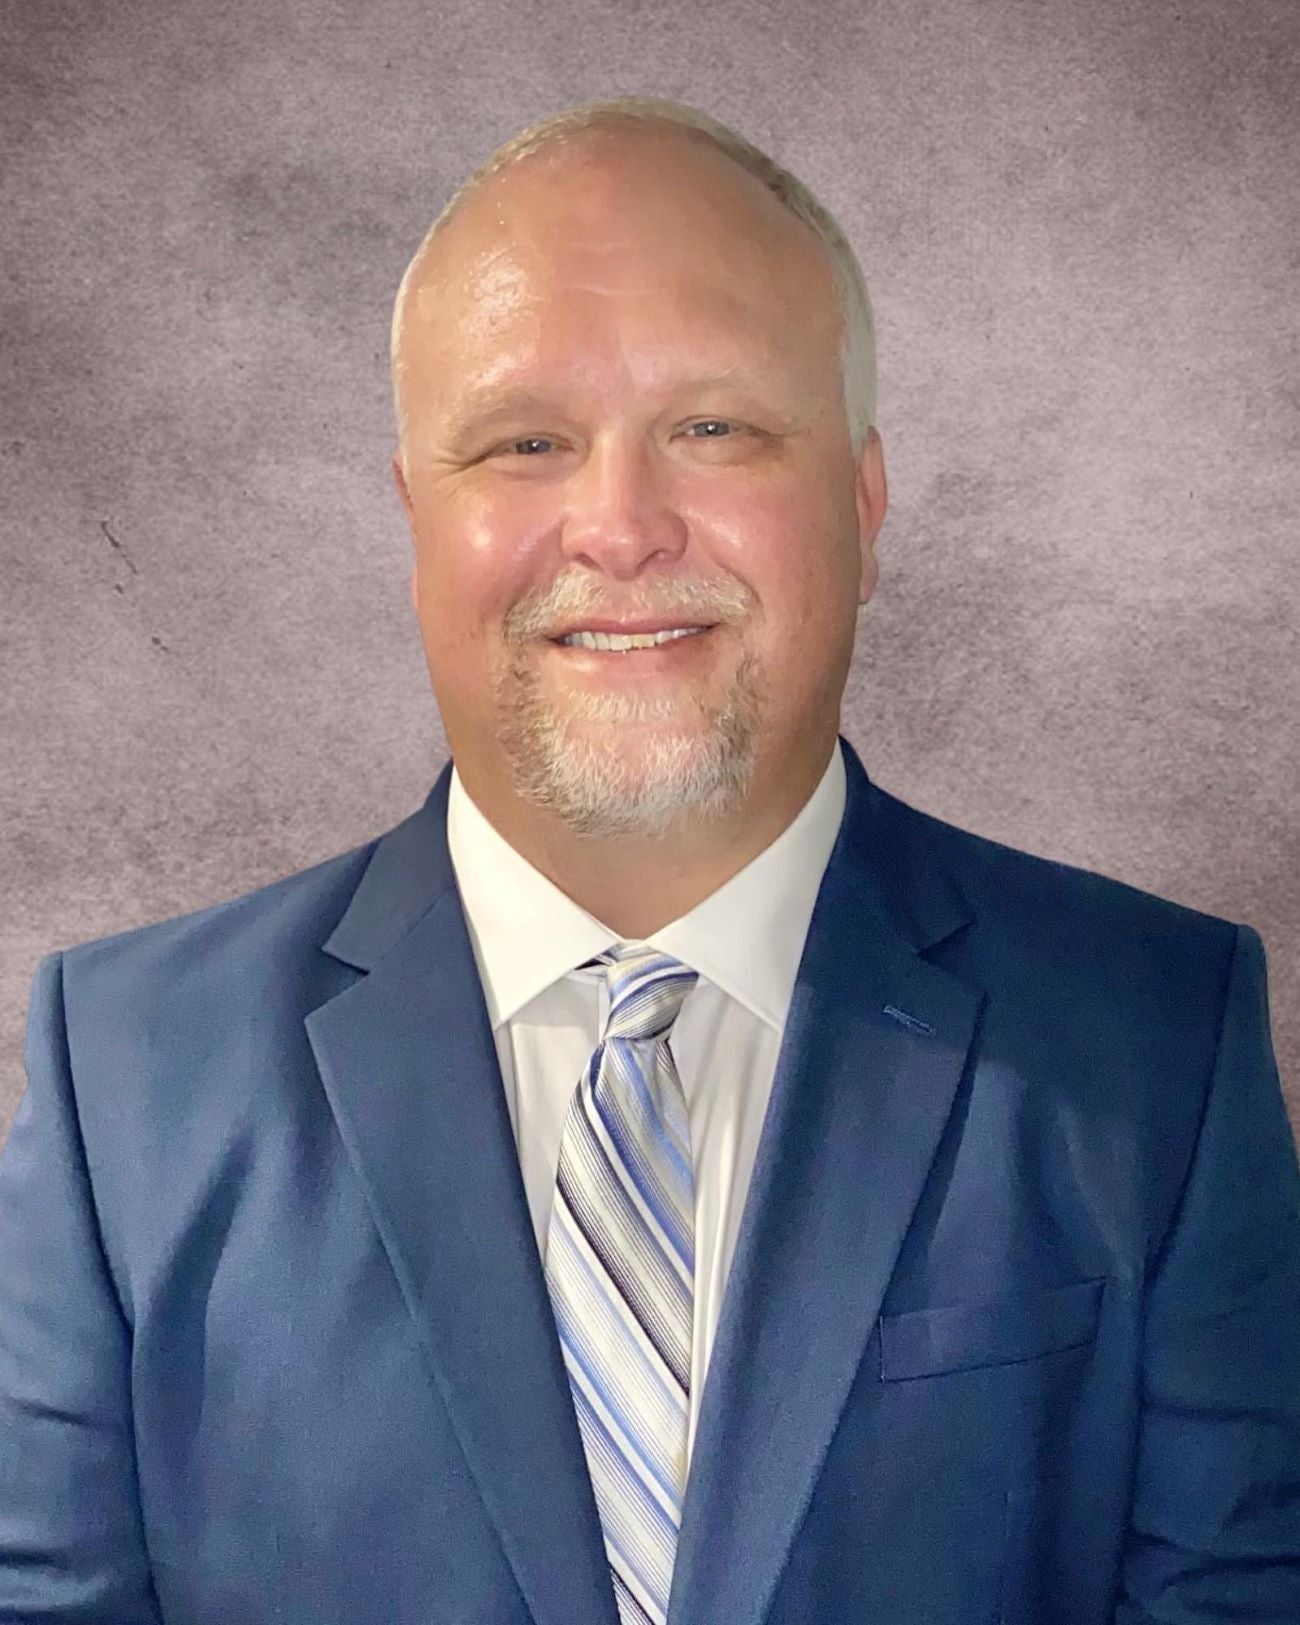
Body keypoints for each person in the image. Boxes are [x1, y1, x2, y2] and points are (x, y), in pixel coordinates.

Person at [1, 95, 1296, 1625]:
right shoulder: (131, 1078)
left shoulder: (1154, 1038)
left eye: (715, 428)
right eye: (525, 441)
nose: (617, 525)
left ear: (863, 507)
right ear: (419, 521)